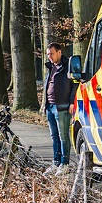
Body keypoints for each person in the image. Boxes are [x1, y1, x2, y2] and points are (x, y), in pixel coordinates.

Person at [42, 42, 77, 170]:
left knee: (63, 136)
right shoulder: (51, 67)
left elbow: (75, 84)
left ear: (59, 52)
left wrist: (71, 102)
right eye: (48, 54)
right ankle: (56, 162)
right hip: (50, 107)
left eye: (51, 54)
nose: (49, 56)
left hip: (62, 107)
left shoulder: (68, 65)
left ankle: (64, 164)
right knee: (54, 136)